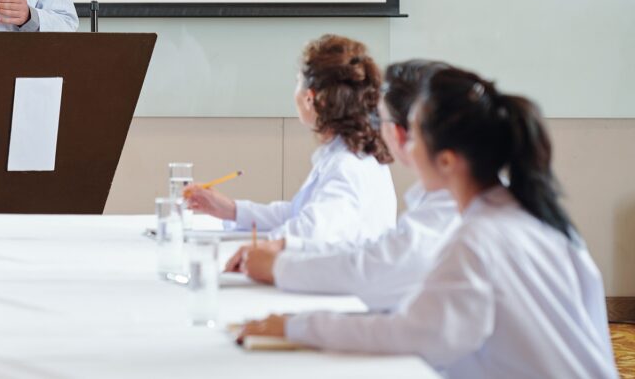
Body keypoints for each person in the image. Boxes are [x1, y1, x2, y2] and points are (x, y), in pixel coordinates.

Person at [238, 67, 618, 379]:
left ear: (449, 160)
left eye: (414, 136)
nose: (404, 145)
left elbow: (416, 332)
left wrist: (296, 327)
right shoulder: (536, 217)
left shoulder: (476, 237)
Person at [232, 60, 461, 311]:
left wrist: (279, 265)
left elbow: (373, 266)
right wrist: (288, 247)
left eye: (380, 120)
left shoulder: (452, 212)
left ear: (398, 133)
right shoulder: (444, 199)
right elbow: (370, 246)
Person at [186, 34, 397, 247]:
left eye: (298, 83)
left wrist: (260, 249)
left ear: (309, 99)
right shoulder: (350, 153)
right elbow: (298, 212)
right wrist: (231, 210)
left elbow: (311, 230)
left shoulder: (345, 166)